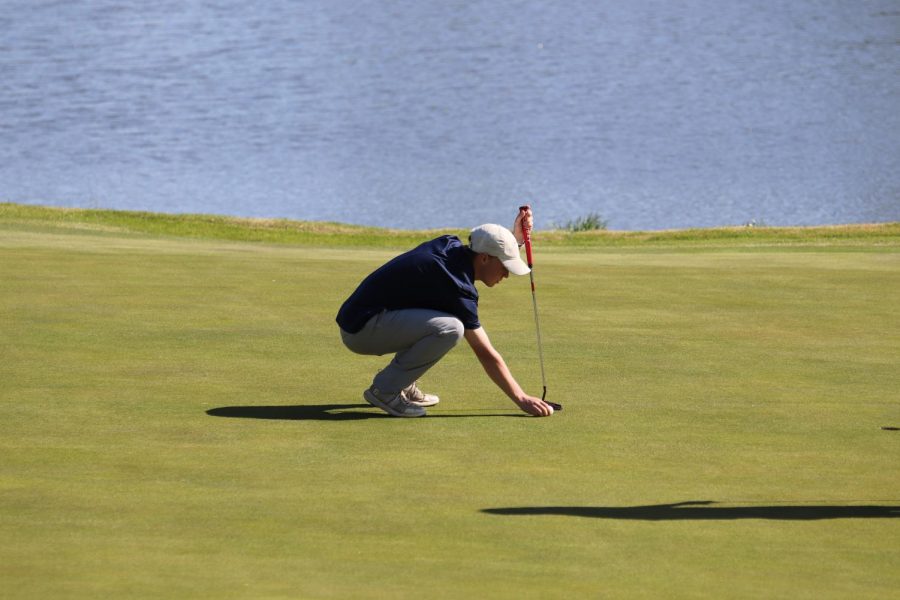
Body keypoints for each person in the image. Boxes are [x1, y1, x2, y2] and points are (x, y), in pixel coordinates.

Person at [336, 207, 555, 418]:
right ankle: (384, 391)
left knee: (441, 317)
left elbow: (488, 248)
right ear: (485, 258)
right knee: (451, 329)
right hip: (361, 330)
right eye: (505, 266)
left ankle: (402, 381)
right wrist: (521, 398)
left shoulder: (451, 247)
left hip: (367, 317)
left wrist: (513, 241)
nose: (506, 274)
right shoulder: (457, 286)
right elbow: (486, 353)